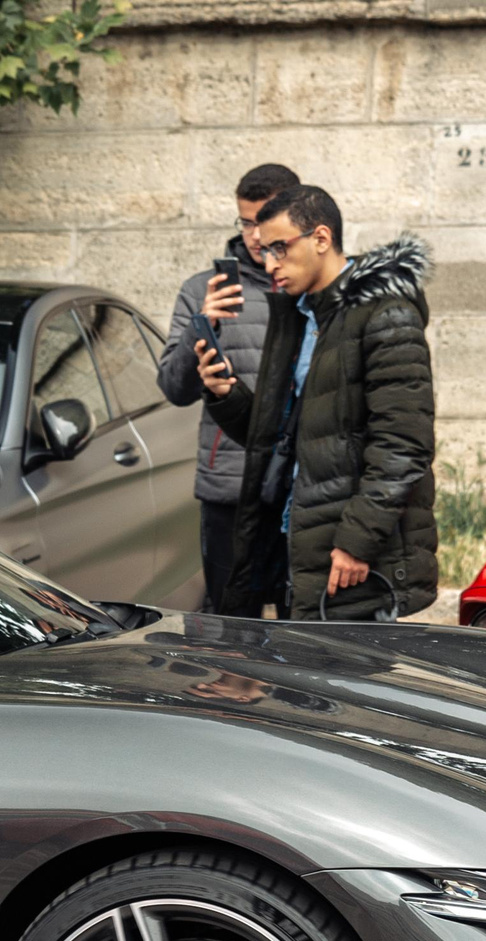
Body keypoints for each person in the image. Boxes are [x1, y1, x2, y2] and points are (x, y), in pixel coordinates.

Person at [196, 183, 440, 622]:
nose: (269, 264)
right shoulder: (298, 315)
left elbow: (404, 444)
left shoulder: (386, 315)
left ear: (321, 239)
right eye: (263, 251)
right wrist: (225, 394)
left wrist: (356, 542)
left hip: (352, 557)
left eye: (279, 249)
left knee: (347, 684)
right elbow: (279, 435)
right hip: (299, 541)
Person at [157, 162, 297, 614]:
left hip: (301, 489)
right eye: (245, 221)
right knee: (233, 626)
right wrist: (205, 321)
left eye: (264, 221)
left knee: (308, 631)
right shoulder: (203, 288)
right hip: (230, 488)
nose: (255, 236)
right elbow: (174, 389)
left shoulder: (312, 285)